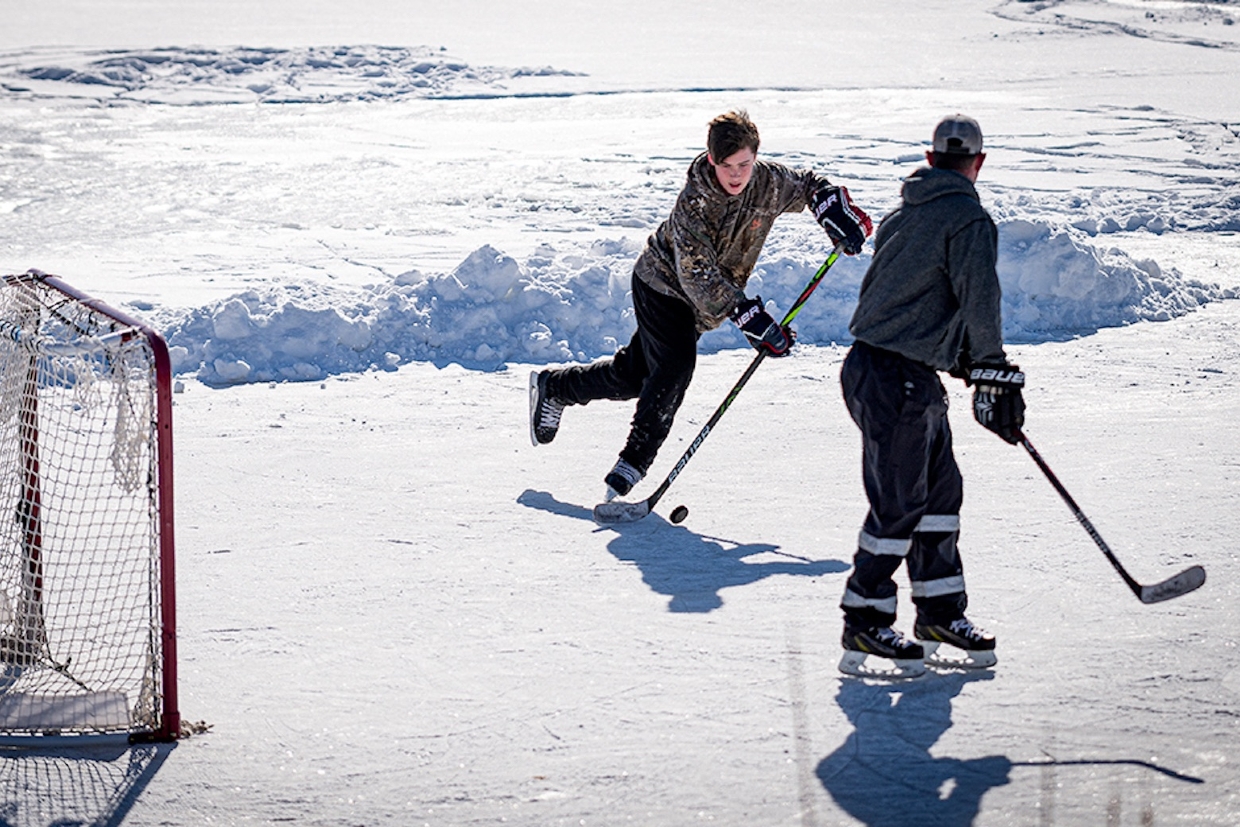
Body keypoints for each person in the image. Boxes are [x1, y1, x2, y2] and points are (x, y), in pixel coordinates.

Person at [529, 110, 873, 500]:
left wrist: (829, 203)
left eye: (744, 163)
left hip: (701, 303)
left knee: (635, 377)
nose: (736, 175)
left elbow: (808, 184)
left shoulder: (768, 183)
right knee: (674, 366)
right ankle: (633, 463)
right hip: (662, 285)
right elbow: (696, 274)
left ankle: (556, 387)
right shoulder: (696, 202)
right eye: (727, 166)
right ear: (711, 159)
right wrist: (746, 315)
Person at [837, 114, 1025, 679]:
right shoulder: (967, 216)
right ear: (979, 163)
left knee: (940, 494)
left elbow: (909, 300)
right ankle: (865, 621)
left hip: (887, 371)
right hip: (898, 379)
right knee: (899, 504)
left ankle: (940, 613)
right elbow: (978, 297)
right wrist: (990, 367)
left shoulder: (902, 214)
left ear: (930, 157)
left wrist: (961, 360)